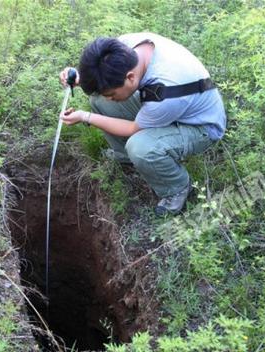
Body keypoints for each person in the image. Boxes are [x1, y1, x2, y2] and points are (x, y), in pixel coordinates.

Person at [59, 32, 226, 216]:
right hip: (176, 105)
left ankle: (177, 188)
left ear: (130, 77)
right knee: (99, 99)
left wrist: (85, 117)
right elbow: (104, 74)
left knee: (140, 147)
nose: (112, 99)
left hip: (201, 126)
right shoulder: (126, 47)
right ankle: (124, 156)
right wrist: (81, 77)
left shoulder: (165, 92)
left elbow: (132, 129)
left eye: (113, 94)